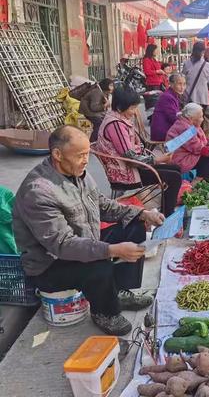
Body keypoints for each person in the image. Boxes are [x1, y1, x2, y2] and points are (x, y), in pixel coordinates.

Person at [13, 126, 165, 336]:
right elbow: (63, 245)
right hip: (49, 265)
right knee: (99, 262)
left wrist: (142, 213)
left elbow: (103, 205)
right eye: (81, 155)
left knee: (133, 225)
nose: (86, 160)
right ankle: (105, 312)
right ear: (57, 154)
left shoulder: (79, 173)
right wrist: (112, 250)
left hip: (82, 242)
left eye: (87, 154)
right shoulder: (38, 192)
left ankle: (117, 290)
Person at [96, 89, 182, 216]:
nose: (135, 112)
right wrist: (158, 160)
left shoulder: (118, 118)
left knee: (175, 168)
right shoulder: (115, 125)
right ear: (120, 108)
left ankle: (166, 206)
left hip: (133, 165)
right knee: (174, 177)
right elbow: (130, 156)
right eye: (132, 108)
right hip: (126, 173)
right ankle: (167, 214)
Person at [166, 103, 209, 180]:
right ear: (191, 118)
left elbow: (200, 141)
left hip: (185, 154)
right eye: (201, 117)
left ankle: (204, 179)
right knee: (208, 156)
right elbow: (198, 148)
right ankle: (197, 182)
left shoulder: (187, 123)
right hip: (178, 159)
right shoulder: (184, 128)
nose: (203, 119)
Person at [151, 73, 187, 142]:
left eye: (184, 84)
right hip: (163, 132)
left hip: (168, 129)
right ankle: (172, 150)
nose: (182, 87)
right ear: (171, 84)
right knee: (191, 132)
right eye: (179, 84)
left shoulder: (173, 95)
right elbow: (173, 118)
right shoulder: (167, 97)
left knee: (193, 131)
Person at [182, 41, 209, 109]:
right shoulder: (208, 66)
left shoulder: (186, 64)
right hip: (202, 99)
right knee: (199, 119)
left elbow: (182, 79)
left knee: (188, 119)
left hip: (188, 97)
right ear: (203, 51)